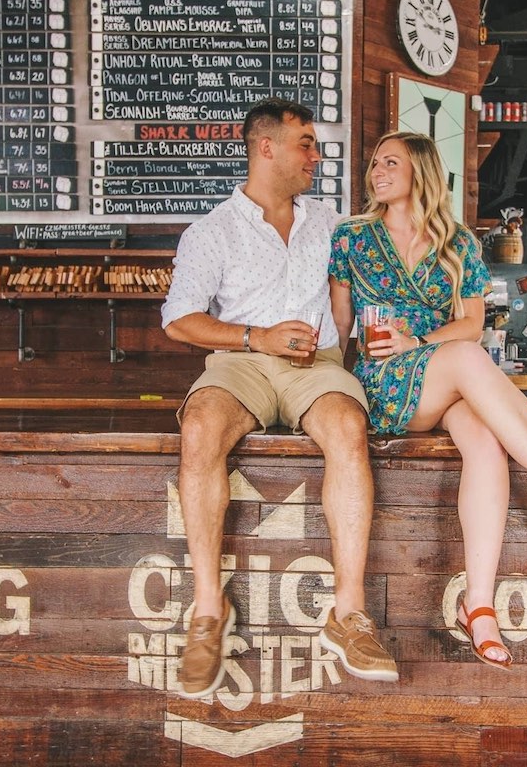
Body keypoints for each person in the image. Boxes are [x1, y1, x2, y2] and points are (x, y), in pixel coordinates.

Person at [329, 131, 527, 671]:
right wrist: (331, 392)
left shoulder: (459, 243)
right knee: (468, 360)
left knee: (484, 442)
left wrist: (416, 342)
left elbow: (473, 324)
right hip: (381, 382)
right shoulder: (350, 237)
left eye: (390, 163)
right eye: (374, 163)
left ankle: (478, 606)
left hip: (444, 379)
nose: (375, 171)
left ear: (421, 173)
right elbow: (340, 327)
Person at [161, 98, 398, 698]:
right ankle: (208, 611)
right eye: (306, 144)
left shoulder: (330, 224)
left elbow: (382, 267)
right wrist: (255, 336)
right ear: (266, 148)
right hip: (240, 361)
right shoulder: (211, 231)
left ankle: (348, 615)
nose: (316, 156)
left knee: (348, 427)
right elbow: (178, 320)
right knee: (200, 427)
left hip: (314, 367)